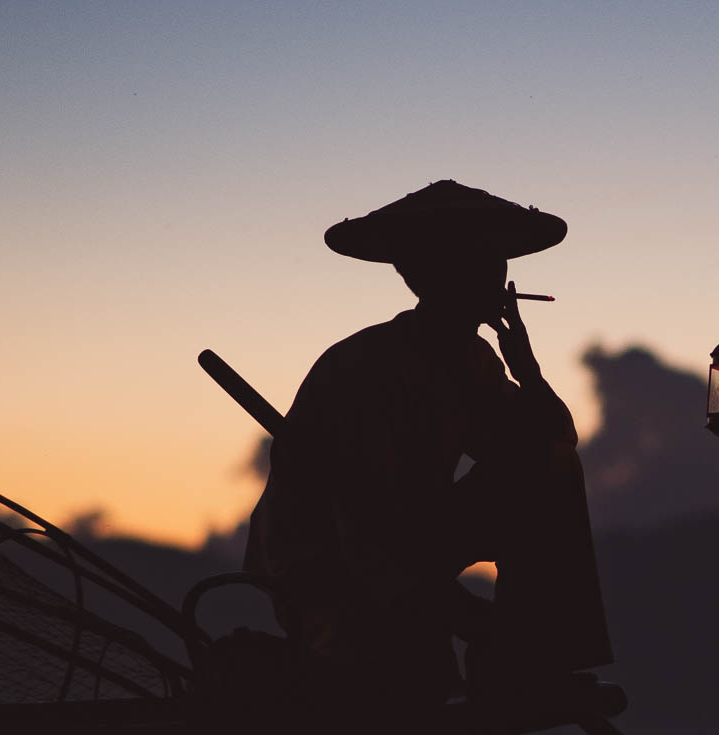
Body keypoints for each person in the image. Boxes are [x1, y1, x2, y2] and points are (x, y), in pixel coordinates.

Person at [245, 180, 612, 702]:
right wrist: (468, 618)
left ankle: (534, 654)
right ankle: (435, 649)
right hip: (331, 570)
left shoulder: (473, 359)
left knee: (549, 465)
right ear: (423, 274)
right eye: (472, 261)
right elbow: (359, 522)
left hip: (406, 543)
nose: (493, 276)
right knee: (412, 683)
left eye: (496, 260)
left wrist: (526, 370)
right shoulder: (368, 368)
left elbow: (548, 443)